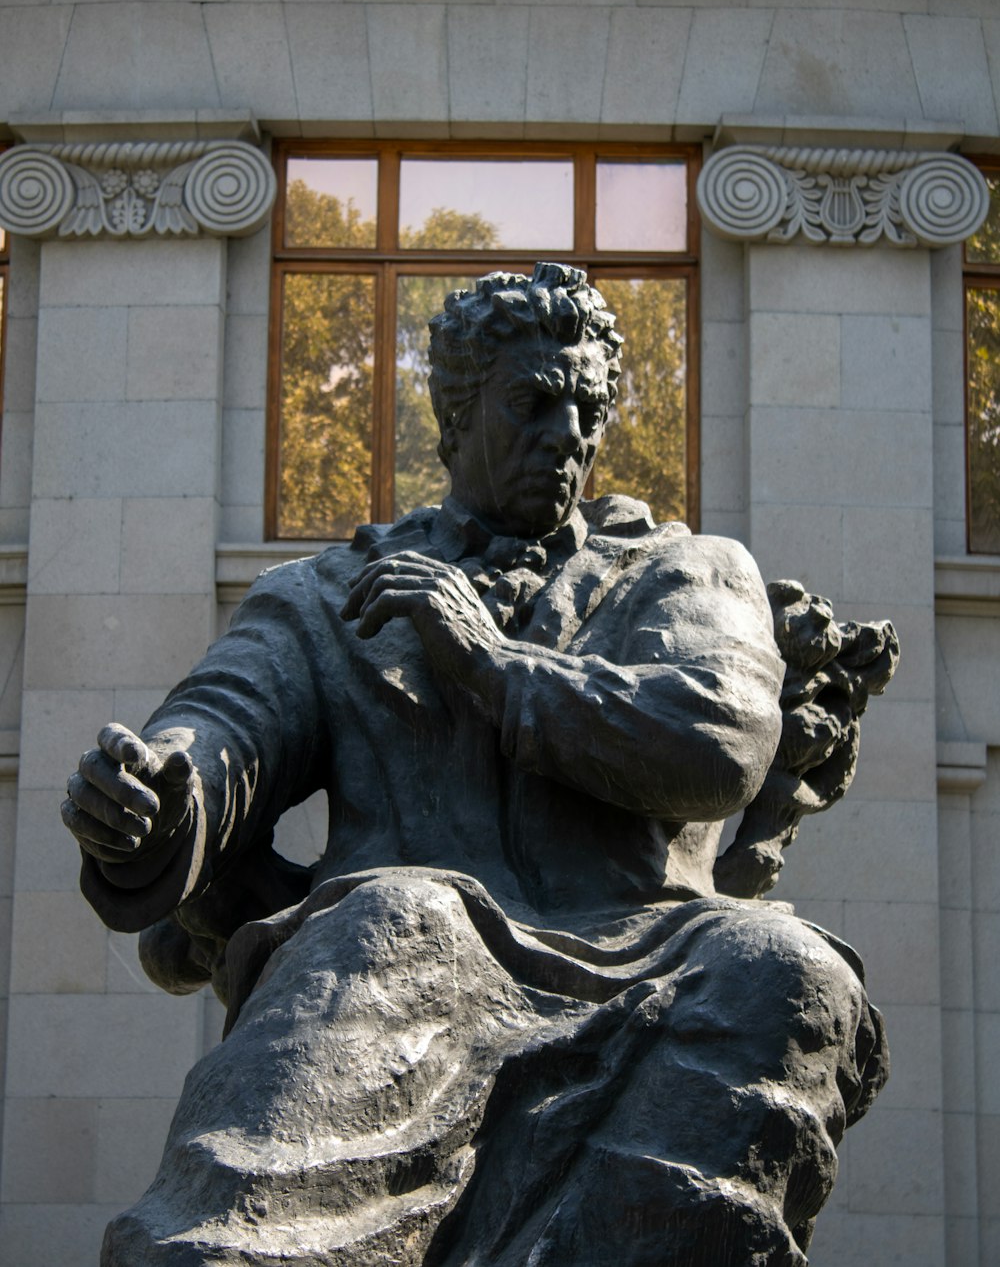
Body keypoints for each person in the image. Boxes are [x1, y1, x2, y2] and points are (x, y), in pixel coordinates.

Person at [63, 262, 887, 1267]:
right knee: (398, 918)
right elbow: (225, 721)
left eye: (587, 408)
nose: (566, 437)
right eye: (531, 406)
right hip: (408, 933)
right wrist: (159, 798)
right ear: (456, 417)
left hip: (649, 942)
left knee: (787, 968)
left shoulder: (686, 570)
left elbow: (717, 747)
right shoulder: (328, 596)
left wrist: (492, 666)